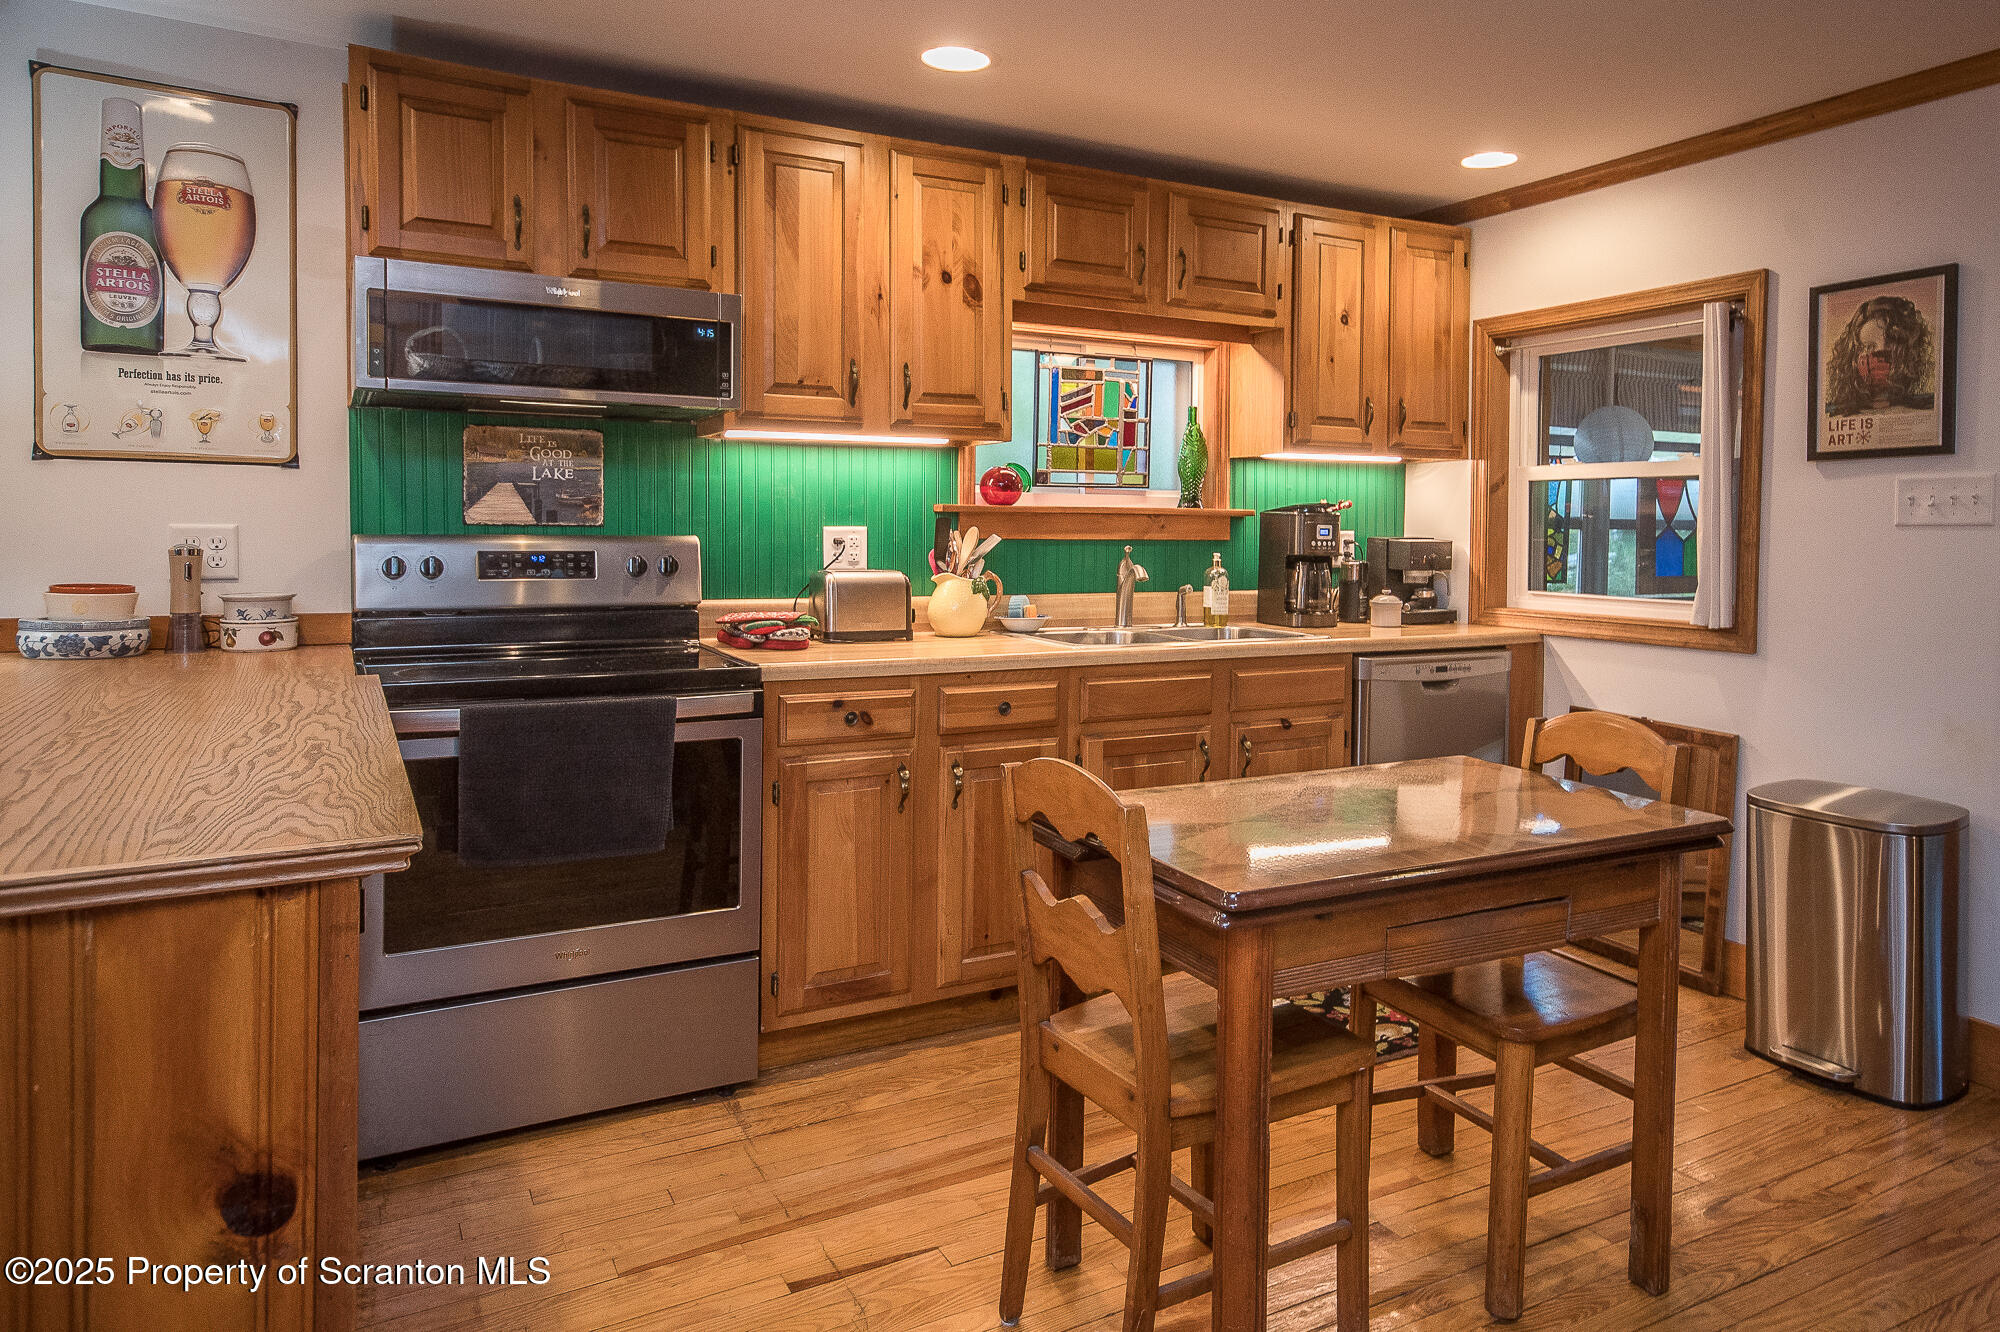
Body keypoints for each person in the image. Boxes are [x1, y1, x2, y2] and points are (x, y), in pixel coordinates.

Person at [1823, 294, 1935, 416]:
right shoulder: (1836, 414)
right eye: (1868, 346)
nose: (1880, 351)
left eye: (1891, 343)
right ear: (1852, 356)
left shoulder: (1924, 407)